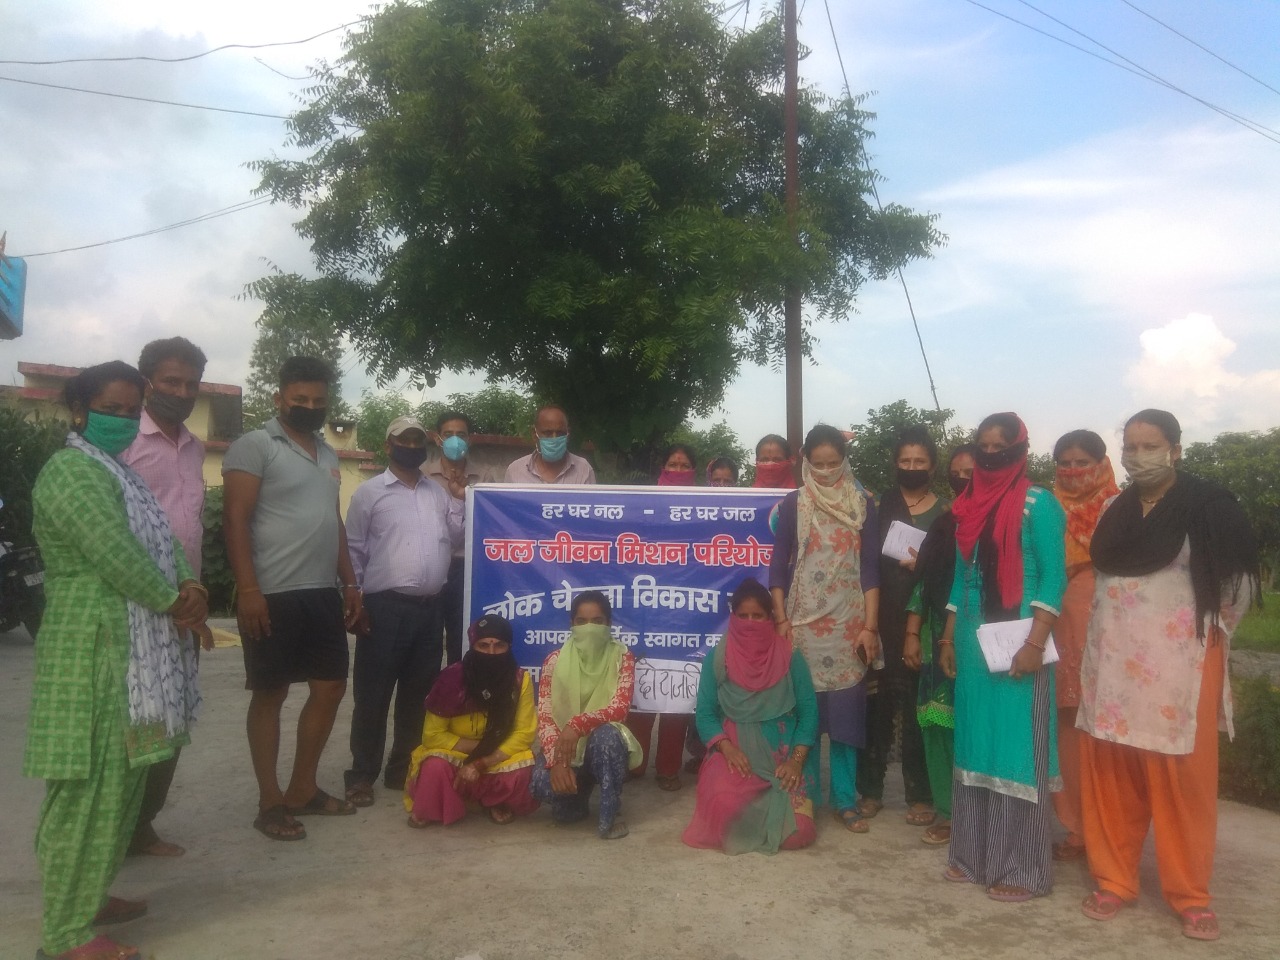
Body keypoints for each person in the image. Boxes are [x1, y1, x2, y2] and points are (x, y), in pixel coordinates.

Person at [25, 361, 206, 960]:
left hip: (137, 651)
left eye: (132, 411)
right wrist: (174, 602)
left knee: (125, 780)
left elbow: (165, 541)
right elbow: (115, 553)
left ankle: (89, 896)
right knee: (90, 785)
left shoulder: (120, 472)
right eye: (111, 409)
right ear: (79, 411)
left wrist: (189, 584)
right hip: (96, 647)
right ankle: (66, 935)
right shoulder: (71, 471)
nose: (123, 421)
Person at [1077, 409, 1259, 942]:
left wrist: (1205, 637)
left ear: (1175, 449)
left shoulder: (1209, 506)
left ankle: (1190, 894)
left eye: (1150, 446)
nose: (1138, 456)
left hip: (1183, 664)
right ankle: (1114, 879)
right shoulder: (1113, 508)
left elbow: (1237, 590)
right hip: (1113, 662)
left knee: (1183, 780)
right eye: (1130, 447)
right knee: (1114, 772)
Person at [222, 356, 363, 841]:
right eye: (299, 399)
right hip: (272, 593)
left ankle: (302, 788)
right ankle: (270, 801)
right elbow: (235, 519)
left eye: (318, 401)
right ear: (279, 397)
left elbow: (333, 521)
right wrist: (248, 590)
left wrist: (351, 583)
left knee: (330, 687)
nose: (309, 407)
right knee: (271, 692)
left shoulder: (326, 454)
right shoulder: (255, 445)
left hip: (321, 593)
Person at [938, 413, 1066, 902]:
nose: (991, 455)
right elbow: (960, 578)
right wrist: (947, 639)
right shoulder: (967, 506)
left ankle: (1024, 868)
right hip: (974, 643)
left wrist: (1035, 644)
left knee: (1016, 750)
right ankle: (972, 855)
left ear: (1020, 449)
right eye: (983, 446)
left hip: (1021, 639)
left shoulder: (1039, 503)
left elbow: (1054, 577)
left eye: (1001, 446)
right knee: (976, 742)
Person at [119, 336, 212, 858]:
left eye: (191, 385)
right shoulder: (125, 441)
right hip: (136, 605)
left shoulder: (195, 448)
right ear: (147, 382)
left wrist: (193, 592)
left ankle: (142, 824)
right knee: (134, 720)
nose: (182, 393)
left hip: (187, 605)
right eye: (171, 382)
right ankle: (116, 826)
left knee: (173, 719)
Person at [342, 416, 464, 808]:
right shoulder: (370, 493)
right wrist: (354, 596)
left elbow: (456, 538)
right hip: (384, 608)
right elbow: (354, 547)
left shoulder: (437, 494)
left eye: (417, 440)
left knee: (418, 696)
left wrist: (458, 497)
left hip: (430, 610)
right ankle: (362, 775)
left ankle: (402, 770)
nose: (411, 446)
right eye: (403, 440)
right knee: (373, 696)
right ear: (388, 445)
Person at [769, 424, 881, 833]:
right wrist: (781, 620)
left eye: (834, 463)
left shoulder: (862, 503)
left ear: (845, 460)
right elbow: (778, 562)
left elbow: (870, 568)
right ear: (806, 462)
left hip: (850, 624)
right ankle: (807, 798)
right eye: (818, 464)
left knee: (848, 718)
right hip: (801, 623)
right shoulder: (793, 503)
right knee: (807, 716)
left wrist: (870, 627)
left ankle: (845, 800)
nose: (827, 471)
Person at [683, 578, 819, 854]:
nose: (750, 623)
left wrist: (795, 762)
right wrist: (727, 748)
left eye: (758, 616)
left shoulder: (791, 656)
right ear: (732, 617)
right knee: (722, 806)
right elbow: (706, 715)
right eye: (743, 616)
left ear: (770, 618)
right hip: (736, 759)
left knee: (798, 833)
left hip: (783, 759)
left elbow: (809, 714)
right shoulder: (717, 658)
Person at [858, 425, 949, 826]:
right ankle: (870, 790)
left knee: (917, 709)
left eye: (920, 461)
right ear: (895, 463)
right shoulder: (878, 506)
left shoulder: (945, 512)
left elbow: (950, 567)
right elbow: (864, 563)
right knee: (876, 706)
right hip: (880, 616)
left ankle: (920, 794)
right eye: (905, 461)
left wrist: (924, 564)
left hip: (923, 621)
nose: (912, 467)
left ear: (933, 466)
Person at [1048, 429, 1118, 862]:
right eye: (1065, 463)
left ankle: (1111, 830)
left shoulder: (1121, 509)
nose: (1073, 471)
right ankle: (1077, 828)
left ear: (1101, 463)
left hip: (1111, 631)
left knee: (1106, 731)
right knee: (1068, 727)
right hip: (1056, 626)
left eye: (1082, 463)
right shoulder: (1047, 509)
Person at [902, 444, 976, 846]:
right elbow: (923, 584)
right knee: (934, 724)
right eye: (957, 473)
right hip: (934, 637)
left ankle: (976, 812)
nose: (964, 479)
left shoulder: (1003, 524)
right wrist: (912, 634)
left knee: (973, 727)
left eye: (971, 472)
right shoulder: (944, 524)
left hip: (977, 638)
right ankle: (948, 812)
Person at [403, 614, 539, 826]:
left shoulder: (519, 680)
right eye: (483, 645)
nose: (491, 652)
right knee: (435, 767)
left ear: (509, 647)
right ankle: (438, 805)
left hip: (496, 754)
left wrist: (481, 762)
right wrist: (481, 748)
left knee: (524, 769)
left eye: (499, 645)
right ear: (473, 646)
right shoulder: (450, 680)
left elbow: (524, 733)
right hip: (457, 752)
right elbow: (432, 736)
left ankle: (494, 801)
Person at [530, 591, 642, 839]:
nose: (589, 628)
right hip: (566, 749)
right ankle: (578, 794)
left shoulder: (622, 656)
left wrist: (577, 724)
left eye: (597, 621)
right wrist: (557, 762)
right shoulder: (554, 661)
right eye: (582, 622)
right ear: (572, 624)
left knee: (608, 739)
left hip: (600, 744)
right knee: (542, 785)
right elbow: (546, 717)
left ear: (608, 624)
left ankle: (610, 812)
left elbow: (619, 708)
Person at [626, 443, 698, 789]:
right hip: (644, 610)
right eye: (672, 464)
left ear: (694, 471)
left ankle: (668, 768)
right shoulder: (644, 504)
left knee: (678, 691)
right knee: (641, 686)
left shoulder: (706, 507)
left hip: (687, 613)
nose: (678, 470)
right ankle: (634, 762)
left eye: (684, 465)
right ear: (662, 468)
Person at [424, 410, 500, 664]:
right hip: (433, 564)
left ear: (470, 439)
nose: (455, 440)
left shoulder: (485, 477)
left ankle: (457, 683)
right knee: (429, 638)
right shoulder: (423, 475)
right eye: (448, 434)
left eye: (461, 434)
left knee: (461, 637)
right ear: (437, 438)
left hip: (468, 566)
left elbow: (491, 521)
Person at [504, 404, 596, 484]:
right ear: (534, 434)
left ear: (568, 434)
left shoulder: (584, 470)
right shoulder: (515, 471)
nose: (554, 438)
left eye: (560, 433)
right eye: (548, 433)